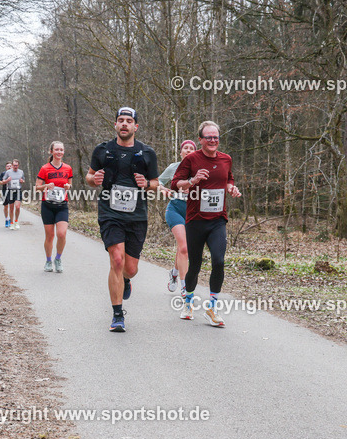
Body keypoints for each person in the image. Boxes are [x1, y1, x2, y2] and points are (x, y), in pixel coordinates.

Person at [86, 107, 159, 332]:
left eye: (129, 120)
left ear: (135, 126)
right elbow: (89, 176)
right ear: (115, 125)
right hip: (110, 213)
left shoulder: (147, 153)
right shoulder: (103, 150)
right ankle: (118, 315)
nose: (124, 124)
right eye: (121, 120)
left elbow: (155, 183)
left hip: (137, 215)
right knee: (116, 260)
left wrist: (146, 184)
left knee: (131, 268)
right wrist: (94, 179)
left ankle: (126, 280)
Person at [171, 121, 240, 326]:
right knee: (195, 265)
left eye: (215, 137)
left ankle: (212, 307)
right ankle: (188, 302)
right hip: (195, 220)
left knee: (219, 261)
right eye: (208, 137)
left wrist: (231, 188)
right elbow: (175, 184)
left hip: (217, 220)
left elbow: (229, 179)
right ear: (200, 139)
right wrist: (192, 180)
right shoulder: (191, 159)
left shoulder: (226, 159)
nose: (212, 140)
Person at [157, 139, 196, 297]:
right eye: (185, 148)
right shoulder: (174, 167)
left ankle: (174, 273)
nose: (188, 150)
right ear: (181, 152)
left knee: (182, 248)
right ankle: (185, 287)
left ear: (195, 152)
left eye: (191, 148)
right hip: (175, 209)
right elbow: (158, 181)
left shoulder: (200, 168)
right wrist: (163, 189)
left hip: (193, 212)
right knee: (184, 247)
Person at [36, 141, 73, 272]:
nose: (59, 152)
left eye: (61, 150)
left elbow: (70, 184)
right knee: (50, 236)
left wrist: (68, 186)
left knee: (61, 234)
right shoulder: (45, 168)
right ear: (51, 151)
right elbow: (37, 187)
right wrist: (46, 186)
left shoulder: (68, 168)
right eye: (56, 149)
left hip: (62, 205)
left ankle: (58, 259)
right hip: (48, 206)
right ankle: (48, 261)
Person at [1, 159, 24, 229]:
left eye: (16, 165)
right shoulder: (8, 172)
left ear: (18, 165)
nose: (15, 167)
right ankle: (11, 223)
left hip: (18, 190)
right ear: (12, 165)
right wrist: (7, 180)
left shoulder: (21, 172)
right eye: (14, 165)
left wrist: (22, 181)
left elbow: (23, 180)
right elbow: (3, 181)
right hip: (10, 191)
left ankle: (16, 221)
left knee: (17, 207)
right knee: (11, 208)